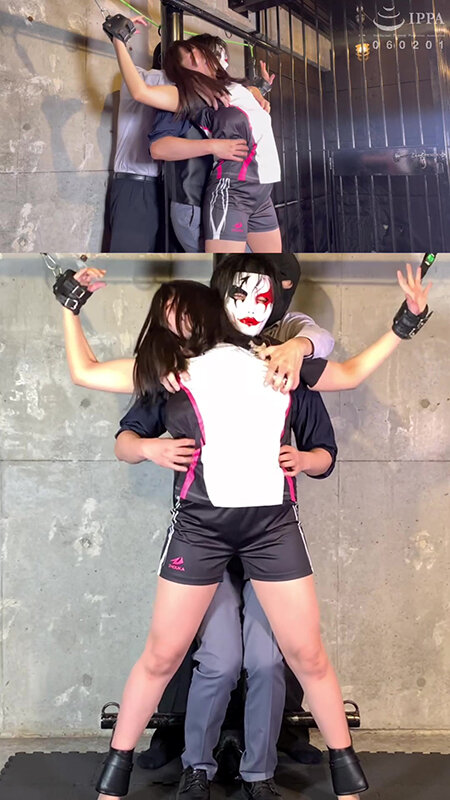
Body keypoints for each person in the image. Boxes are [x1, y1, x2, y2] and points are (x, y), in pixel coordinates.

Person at [56, 259, 432, 800]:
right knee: (162, 656)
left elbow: (349, 372)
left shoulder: (276, 361)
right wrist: (71, 306)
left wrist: (406, 320)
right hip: (200, 529)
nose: (174, 322)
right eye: (166, 314)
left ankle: (346, 779)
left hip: (271, 529)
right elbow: (85, 371)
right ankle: (113, 779)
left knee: (307, 655)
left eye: (182, 311)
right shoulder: (169, 371)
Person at [105, 22, 282, 253]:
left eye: (194, 50)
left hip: (261, 189)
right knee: (231, 265)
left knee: (269, 262)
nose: (196, 56)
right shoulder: (195, 94)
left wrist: (259, 89)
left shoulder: (232, 88)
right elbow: (141, 92)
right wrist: (118, 39)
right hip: (226, 190)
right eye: (188, 57)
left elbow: (245, 105)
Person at [148, 36, 273, 253]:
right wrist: (214, 146)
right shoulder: (182, 95)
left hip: (232, 197)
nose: (220, 62)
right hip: (195, 202)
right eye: (213, 56)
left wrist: (258, 90)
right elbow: (158, 148)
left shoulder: (222, 91)